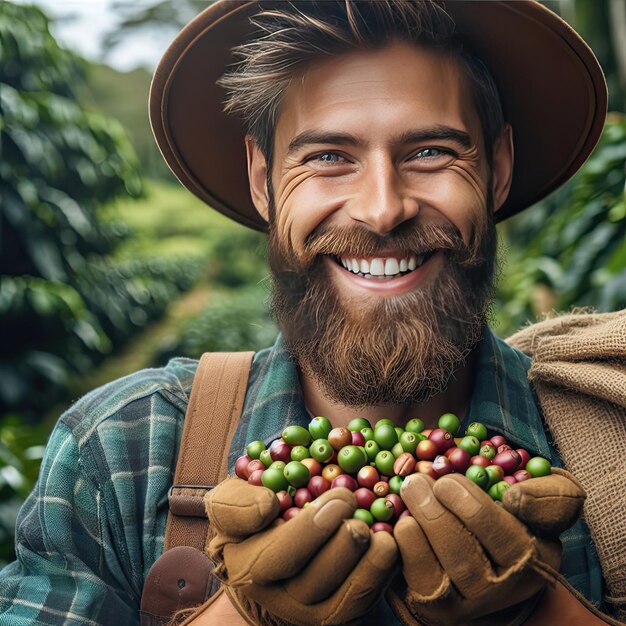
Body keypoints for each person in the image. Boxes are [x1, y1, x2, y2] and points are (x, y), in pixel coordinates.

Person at [0, 1, 622, 625]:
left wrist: (545, 611)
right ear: (263, 182)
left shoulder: (609, 440)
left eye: (431, 151)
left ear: (498, 171)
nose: (382, 210)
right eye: (327, 157)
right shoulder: (119, 452)